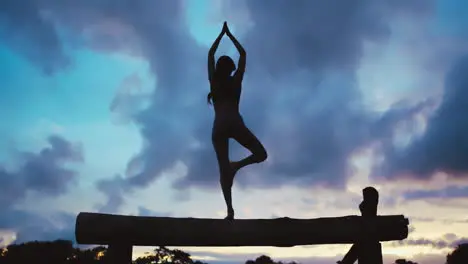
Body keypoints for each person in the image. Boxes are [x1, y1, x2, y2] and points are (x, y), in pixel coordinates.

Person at [207, 22, 268, 220]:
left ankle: (230, 211)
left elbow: (210, 55)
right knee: (261, 154)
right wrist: (230, 35)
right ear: (231, 69)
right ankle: (236, 166)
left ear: (218, 68)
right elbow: (243, 55)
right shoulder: (235, 81)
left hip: (218, 128)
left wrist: (221, 35)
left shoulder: (214, 81)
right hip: (234, 123)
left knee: (223, 171)